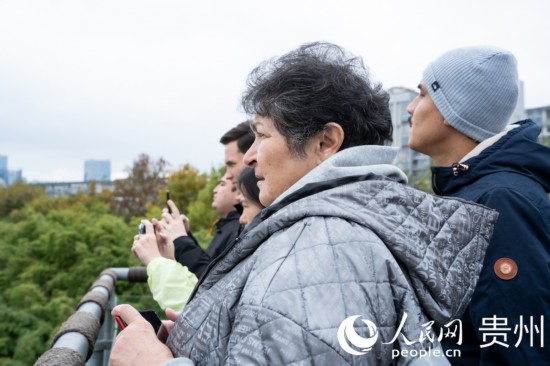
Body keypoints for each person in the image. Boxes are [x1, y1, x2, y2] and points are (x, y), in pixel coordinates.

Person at [111, 42, 498, 366]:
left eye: (262, 136)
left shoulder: (320, 248)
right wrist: (207, 338)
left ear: (324, 143)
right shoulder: (343, 230)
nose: (251, 157)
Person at [406, 46, 550, 365]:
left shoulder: (500, 201)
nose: (410, 109)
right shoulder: (475, 193)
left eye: (422, 94)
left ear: (449, 109)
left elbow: (519, 348)